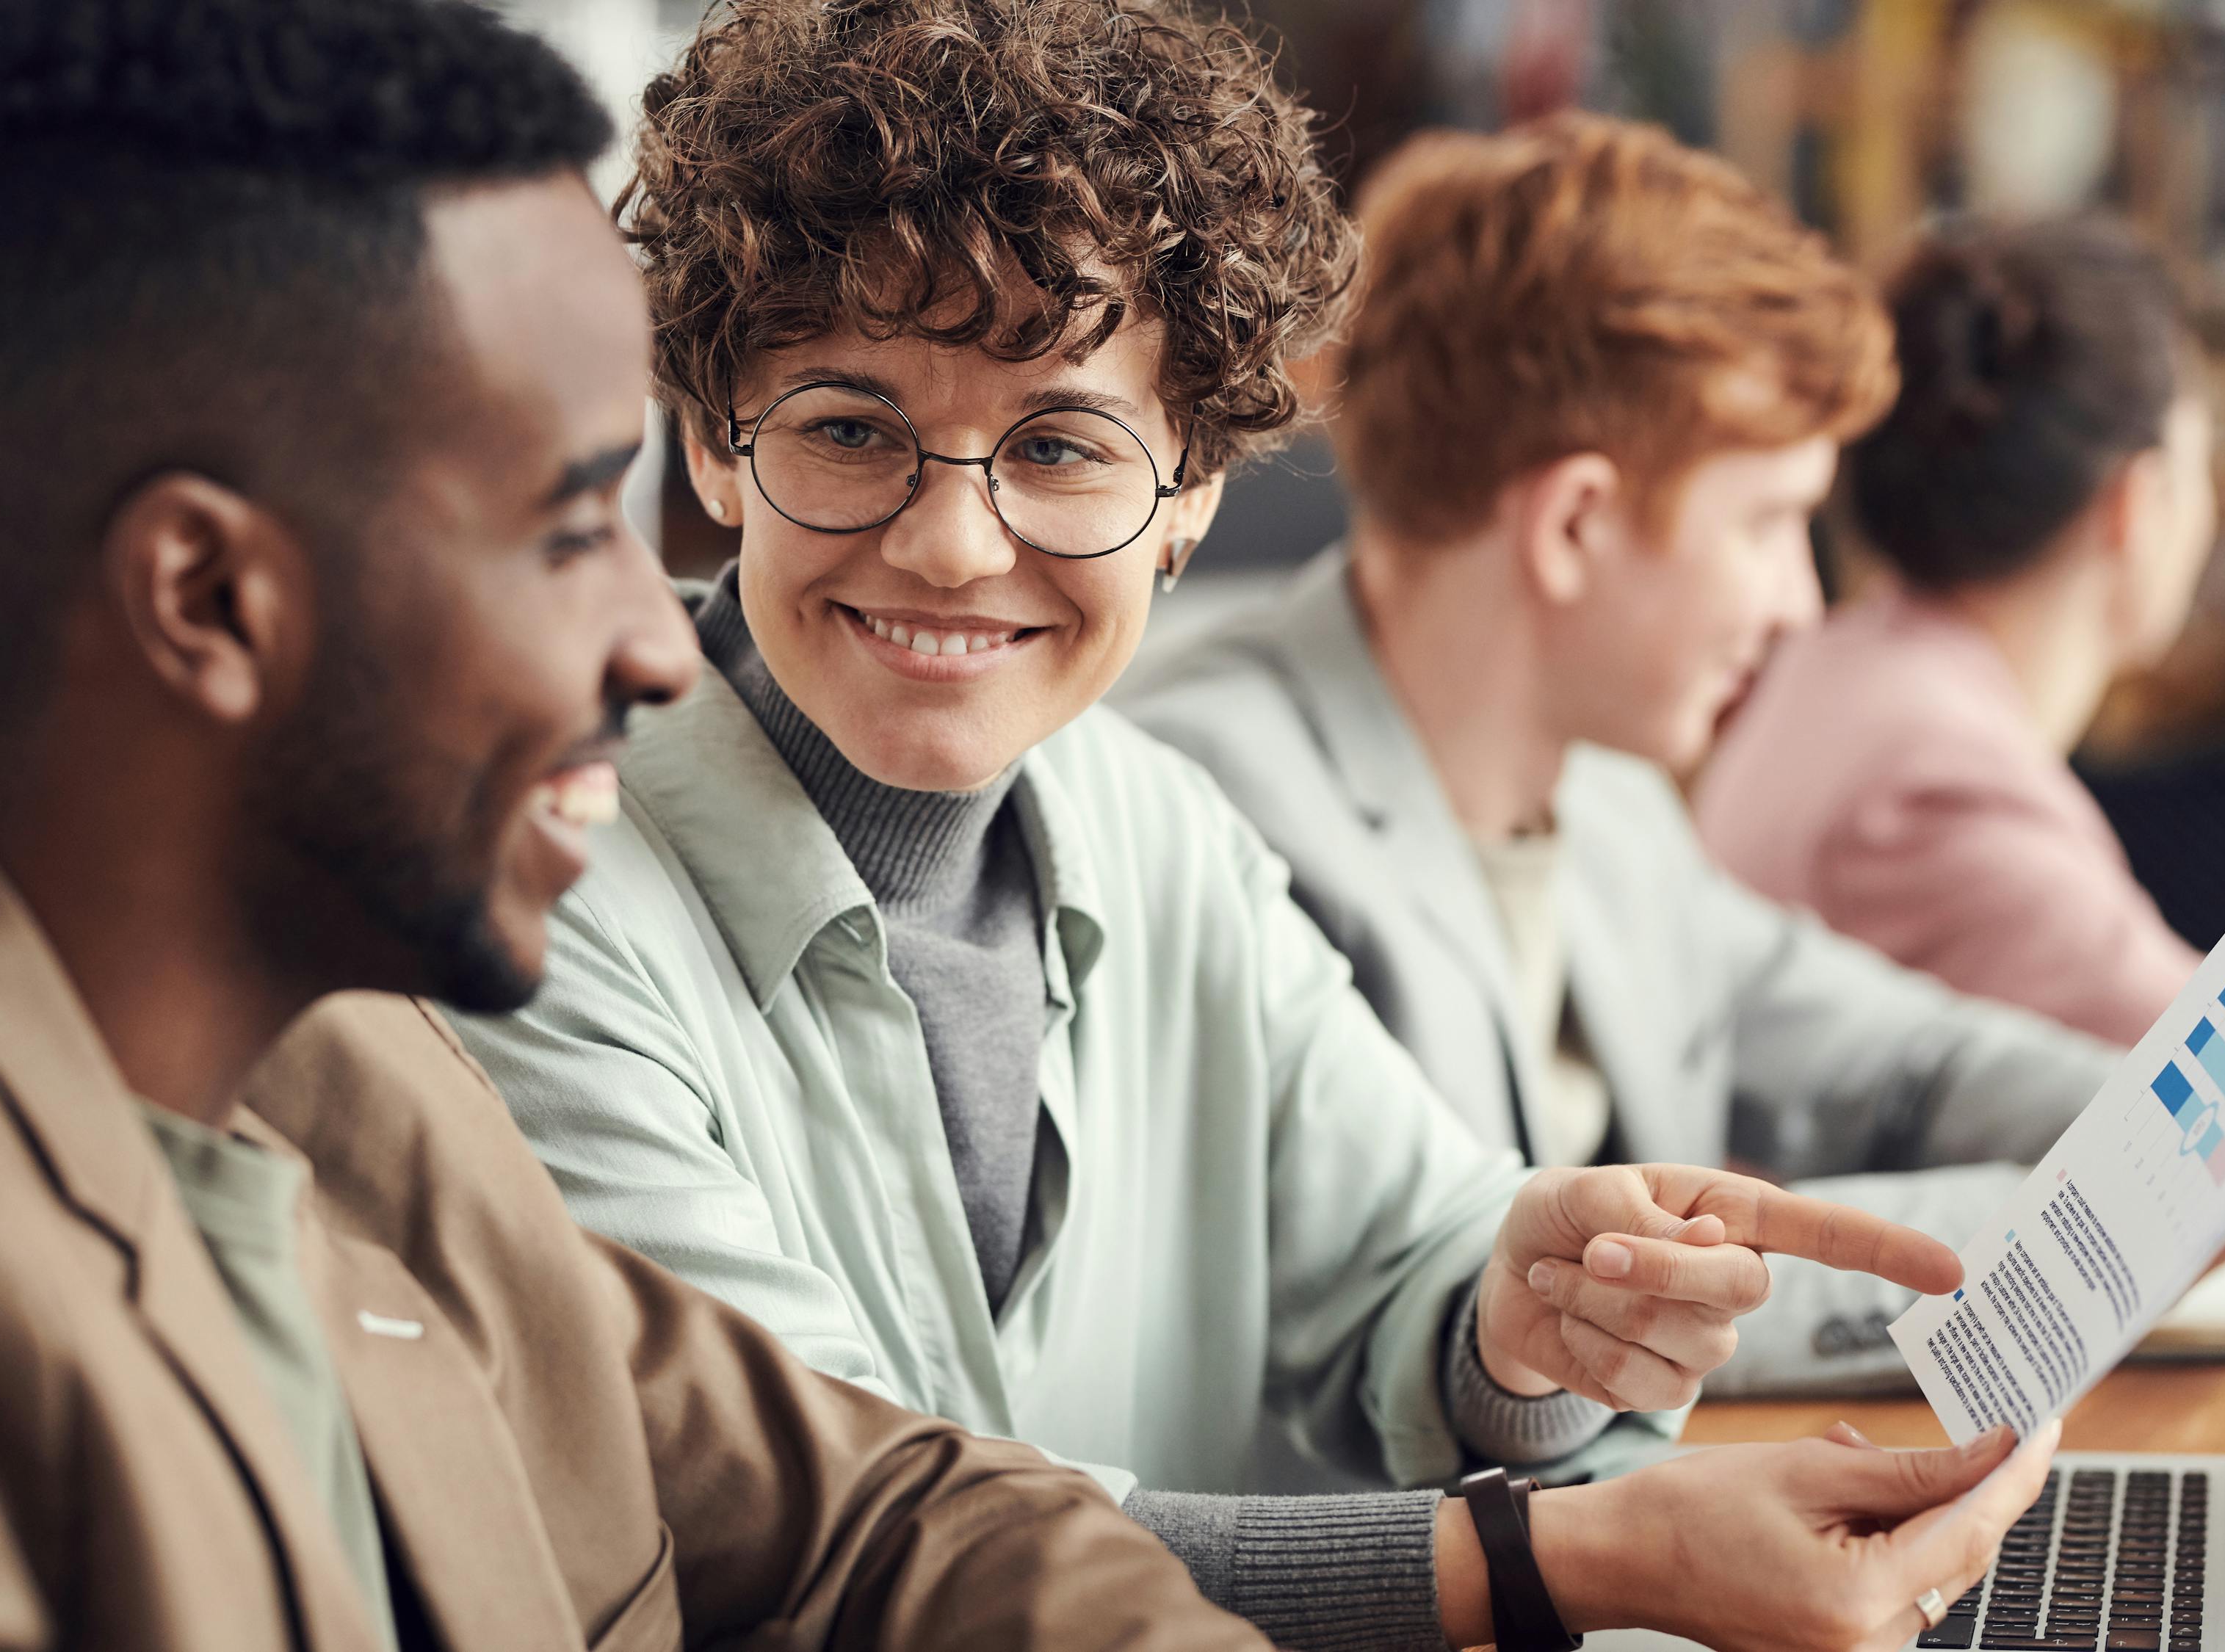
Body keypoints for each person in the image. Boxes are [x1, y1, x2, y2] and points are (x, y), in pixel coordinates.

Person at [438, 8, 2052, 1648]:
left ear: (1194, 490)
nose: (945, 543)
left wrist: (1532, 1326)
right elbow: (856, 1548)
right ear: (714, 443)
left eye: (1060, 445)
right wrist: (1556, 1559)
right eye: (848, 429)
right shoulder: (531, 919)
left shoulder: (1155, 831)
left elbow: (1416, 1276)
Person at [0, 1, 1330, 1645]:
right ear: (208, 598)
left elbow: (886, 1516)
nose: (661, 645)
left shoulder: (350, 1072)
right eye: (570, 527)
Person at [1118, 113, 2121, 1398]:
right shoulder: (1209, 813)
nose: (1798, 607)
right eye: (1767, 524)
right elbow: (1548, 1316)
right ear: (1577, 524)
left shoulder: (1604, 798)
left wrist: (2176, 1140)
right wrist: (2068, 1239)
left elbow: (1909, 1067)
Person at [1696, 217, 2218, 1046]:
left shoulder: (1848, 668)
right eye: (2207, 467)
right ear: (2136, 505)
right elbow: (2204, 1083)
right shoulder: (1938, 787)